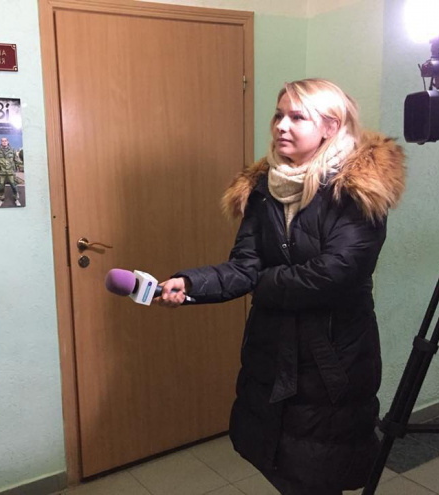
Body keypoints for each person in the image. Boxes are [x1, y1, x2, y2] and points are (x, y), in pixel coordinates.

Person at [156, 79, 405, 494]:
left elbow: (335, 272)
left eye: (297, 117)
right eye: (278, 115)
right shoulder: (264, 189)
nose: (281, 126)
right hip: (271, 351)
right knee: (281, 461)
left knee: (320, 467)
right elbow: (245, 265)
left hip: (332, 357)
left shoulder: (359, 188)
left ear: (330, 126)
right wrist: (190, 283)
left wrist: (263, 281)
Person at [0, 136, 22, 207]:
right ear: (1, 142)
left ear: (8, 142)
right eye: (2, 141)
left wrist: (18, 166)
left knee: (14, 186)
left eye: (5, 141)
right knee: (1, 187)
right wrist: (0, 167)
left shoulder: (12, 150)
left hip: (10, 171)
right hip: (2, 172)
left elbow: (16, 160)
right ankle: (1, 200)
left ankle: (16, 199)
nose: (4, 142)